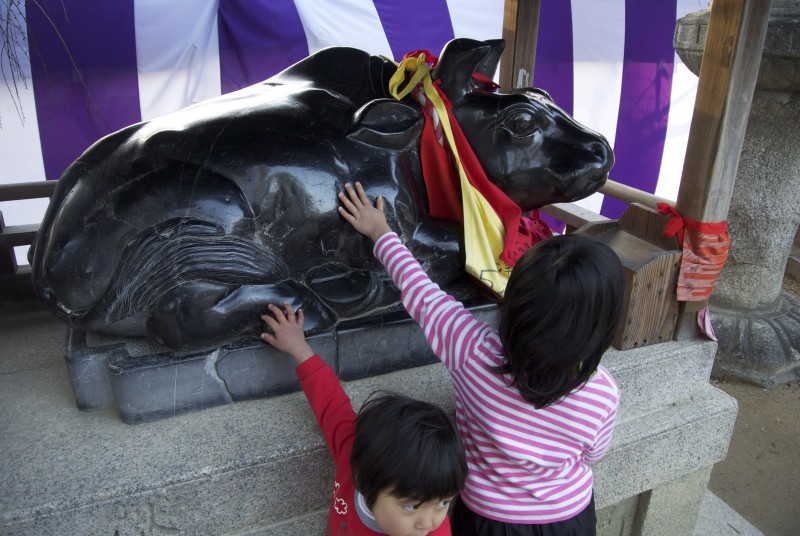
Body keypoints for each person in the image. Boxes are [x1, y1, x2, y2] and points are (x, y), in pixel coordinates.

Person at [337, 182, 625, 536]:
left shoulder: (470, 350)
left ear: (513, 305)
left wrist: (380, 230)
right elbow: (593, 455)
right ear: (601, 328)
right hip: (569, 518)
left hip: (488, 520)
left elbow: (421, 291)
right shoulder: (603, 393)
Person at [260, 301, 467, 536]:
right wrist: (299, 347)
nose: (429, 523)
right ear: (362, 475)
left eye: (444, 503)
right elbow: (330, 403)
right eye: (412, 506)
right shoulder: (352, 450)